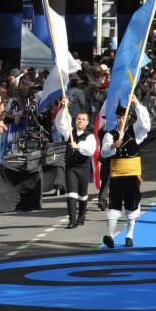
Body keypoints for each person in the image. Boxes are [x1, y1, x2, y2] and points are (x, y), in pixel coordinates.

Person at [100, 95, 151, 248]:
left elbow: (146, 124)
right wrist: (113, 146)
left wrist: (136, 103)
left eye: (124, 117)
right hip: (117, 174)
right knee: (114, 205)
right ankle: (110, 235)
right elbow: (103, 153)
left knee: (132, 205)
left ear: (128, 117)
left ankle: (129, 235)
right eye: (119, 117)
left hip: (133, 174)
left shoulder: (136, 131)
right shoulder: (110, 134)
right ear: (116, 118)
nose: (121, 120)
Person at [56, 97, 96, 229]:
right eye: (79, 119)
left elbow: (90, 150)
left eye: (83, 119)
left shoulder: (89, 136)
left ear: (87, 122)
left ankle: (82, 215)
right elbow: (61, 123)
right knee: (71, 193)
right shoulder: (70, 133)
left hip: (83, 168)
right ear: (75, 120)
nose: (80, 121)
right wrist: (63, 108)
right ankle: (72, 220)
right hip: (71, 167)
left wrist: (78, 145)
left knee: (83, 195)